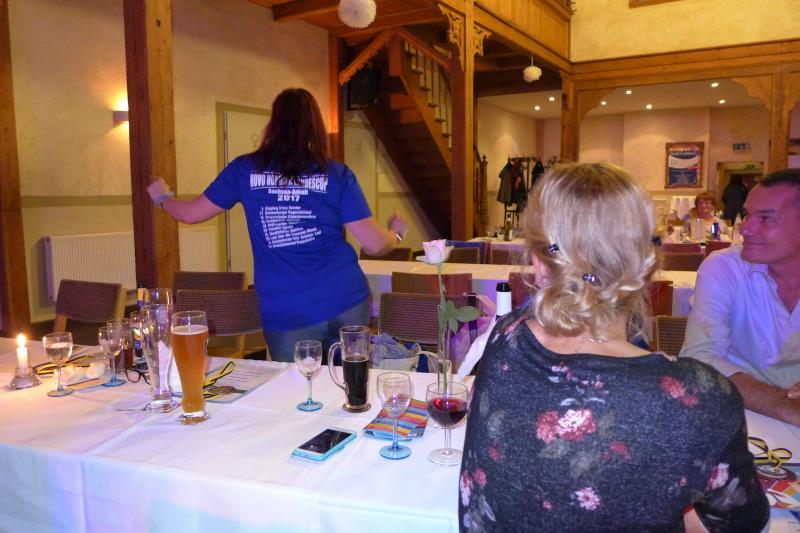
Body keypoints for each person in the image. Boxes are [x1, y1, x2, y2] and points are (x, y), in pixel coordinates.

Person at [459, 163, 767, 531]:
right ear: (648, 267)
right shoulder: (699, 398)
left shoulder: (506, 336)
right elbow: (741, 523)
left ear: (539, 265)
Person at [147, 88, 407, 361]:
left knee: (296, 384)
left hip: (287, 309)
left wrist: (163, 199)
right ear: (315, 127)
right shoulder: (336, 174)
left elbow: (190, 214)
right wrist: (397, 234)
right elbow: (375, 244)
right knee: (349, 381)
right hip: (346, 299)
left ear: (274, 124)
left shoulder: (244, 170)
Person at [681, 168, 800, 426]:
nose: (745, 228)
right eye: (747, 215)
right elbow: (698, 359)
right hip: (742, 416)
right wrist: (784, 404)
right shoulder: (724, 268)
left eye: (766, 218)